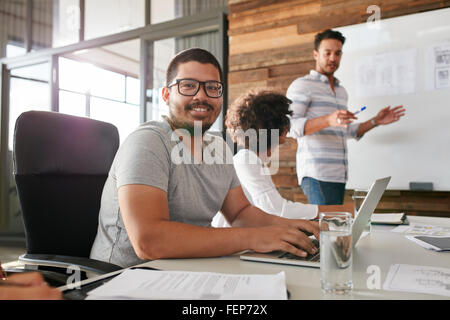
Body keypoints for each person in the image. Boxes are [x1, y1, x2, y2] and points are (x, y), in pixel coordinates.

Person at [90, 48, 320, 268]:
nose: (201, 95)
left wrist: (298, 227)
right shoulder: (148, 142)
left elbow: (241, 214)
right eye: (188, 85)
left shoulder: (218, 149)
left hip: (190, 270)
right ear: (166, 94)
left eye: (212, 87)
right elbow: (149, 241)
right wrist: (253, 238)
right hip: (125, 278)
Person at [286, 29, 406, 205]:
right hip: (316, 174)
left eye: (338, 53)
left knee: (332, 229)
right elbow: (290, 127)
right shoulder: (302, 85)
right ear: (315, 54)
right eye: (327, 53)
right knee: (326, 228)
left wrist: (375, 121)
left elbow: (347, 131)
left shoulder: (341, 91)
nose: (333, 58)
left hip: (339, 175)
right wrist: (328, 119)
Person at [213, 88, 353, 228]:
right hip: (236, 246)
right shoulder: (245, 160)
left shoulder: (252, 160)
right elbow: (277, 210)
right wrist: (342, 210)